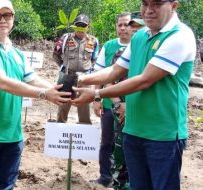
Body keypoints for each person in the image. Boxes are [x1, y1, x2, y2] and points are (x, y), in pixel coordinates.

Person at [72, 0, 196, 189]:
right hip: (133, 130)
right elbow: (114, 71)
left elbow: (144, 80)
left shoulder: (180, 36)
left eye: (156, 4)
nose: (148, 10)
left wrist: (96, 94)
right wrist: (80, 79)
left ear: (174, 5)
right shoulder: (140, 37)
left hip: (164, 136)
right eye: (145, 3)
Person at [0, 0, 71, 189]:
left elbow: (34, 79)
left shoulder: (17, 54)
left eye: (7, 15)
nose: (2, 20)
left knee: (6, 186)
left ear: (13, 19)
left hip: (13, 136)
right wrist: (45, 94)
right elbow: (2, 82)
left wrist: (61, 91)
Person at [90, 12, 132, 188]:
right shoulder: (108, 46)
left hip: (131, 107)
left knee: (128, 144)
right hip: (109, 105)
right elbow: (99, 74)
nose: (122, 28)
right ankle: (105, 176)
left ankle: (126, 180)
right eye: (119, 25)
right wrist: (96, 98)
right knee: (107, 141)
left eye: (126, 24)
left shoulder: (139, 45)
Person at [53, 14, 99, 124]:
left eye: (83, 26)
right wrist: (63, 66)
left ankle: (84, 128)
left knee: (84, 104)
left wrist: (88, 71)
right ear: (74, 26)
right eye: (78, 25)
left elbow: (94, 59)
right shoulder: (66, 38)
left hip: (85, 77)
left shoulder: (93, 41)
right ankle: (60, 126)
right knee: (64, 102)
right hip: (67, 75)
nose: (80, 29)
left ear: (88, 27)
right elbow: (55, 54)